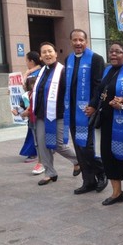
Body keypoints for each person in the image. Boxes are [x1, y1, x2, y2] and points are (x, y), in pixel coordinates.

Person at [64, 29, 107, 194]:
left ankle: (101, 171)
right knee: (78, 147)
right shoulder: (68, 60)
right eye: (74, 40)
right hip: (72, 110)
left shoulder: (95, 59)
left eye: (81, 40)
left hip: (87, 111)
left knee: (86, 147)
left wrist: (94, 105)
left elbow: (99, 85)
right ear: (71, 42)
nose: (78, 43)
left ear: (86, 41)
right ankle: (88, 181)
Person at [98, 42, 123, 206]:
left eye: (118, 52)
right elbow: (100, 92)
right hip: (107, 121)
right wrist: (93, 105)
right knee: (107, 156)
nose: (113, 54)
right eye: (111, 51)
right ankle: (117, 193)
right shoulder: (107, 71)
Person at [32, 42, 78, 185]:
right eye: (44, 52)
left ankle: (78, 160)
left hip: (57, 114)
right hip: (40, 115)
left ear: (56, 53)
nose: (47, 54)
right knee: (42, 144)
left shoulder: (63, 71)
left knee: (58, 144)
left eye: (50, 51)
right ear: (40, 56)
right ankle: (50, 172)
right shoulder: (41, 72)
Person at [17, 51, 42, 167]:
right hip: (29, 103)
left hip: (34, 105)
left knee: (34, 130)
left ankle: (34, 153)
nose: (26, 63)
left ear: (31, 61)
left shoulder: (37, 73)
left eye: (27, 61)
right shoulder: (33, 72)